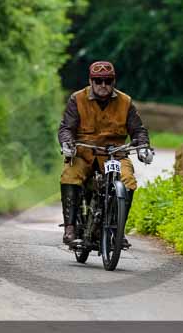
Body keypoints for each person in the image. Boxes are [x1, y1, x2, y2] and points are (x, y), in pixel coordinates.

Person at [58, 60, 154, 247]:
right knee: (70, 175)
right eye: (98, 80)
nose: (103, 85)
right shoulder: (77, 99)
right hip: (83, 152)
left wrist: (143, 146)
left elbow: (138, 130)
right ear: (91, 81)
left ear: (114, 82)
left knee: (128, 180)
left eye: (108, 81)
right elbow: (66, 128)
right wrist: (67, 144)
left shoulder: (125, 102)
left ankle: (118, 231)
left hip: (115, 153)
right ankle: (69, 229)